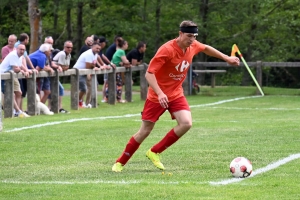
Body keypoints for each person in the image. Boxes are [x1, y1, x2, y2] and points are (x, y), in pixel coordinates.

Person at [111, 20, 240, 172]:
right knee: (145, 131)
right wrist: (159, 93)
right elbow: (149, 74)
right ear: (180, 34)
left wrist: (227, 58)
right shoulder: (167, 50)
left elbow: (206, 48)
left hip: (176, 94)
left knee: (186, 123)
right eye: (189, 35)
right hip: (157, 96)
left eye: (194, 36)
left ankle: (154, 152)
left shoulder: (193, 45)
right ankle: (120, 162)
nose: (192, 39)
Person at [0, 44, 30, 117]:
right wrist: (22, 71)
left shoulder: (21, 56)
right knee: (10, 94)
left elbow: (19, 66)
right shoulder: (13, 55)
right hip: (4, 75)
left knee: (19, 93)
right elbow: (15, 69)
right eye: (20, 49)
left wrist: (26, 70)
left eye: (23, 50)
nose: (22, 51)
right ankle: (17, 111)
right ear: (16, 49)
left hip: (11, 75)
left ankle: (16, 112)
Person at [73, 42, 101, 107]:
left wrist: (95, 67)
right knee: (83, 88)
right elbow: (88, 66)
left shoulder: (95, 54)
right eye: (97, 48)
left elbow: (93, 64)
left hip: (86, 71)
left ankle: (89, 102)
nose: (98, 50)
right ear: (92, 47)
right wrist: (94, 67)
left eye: (99, 49)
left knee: (94, 85)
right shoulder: (89, 54)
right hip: (79, 71)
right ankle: (78, 102)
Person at [50, 40, 73, 113]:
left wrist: (63, 67)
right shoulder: (62, 54)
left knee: (57, 89)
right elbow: (61, 66)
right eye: (68, 47)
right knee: (58, 89)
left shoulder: (69, 55)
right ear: (64, 47)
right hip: (52, 74)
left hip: (55, 74)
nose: (69, 49)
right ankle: (58, 108)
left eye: (71, 47)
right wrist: (63, 67)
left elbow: (67, 66)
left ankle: (54, 107)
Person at [109, 38, 131, 103]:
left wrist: (124, 63)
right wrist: (125, 63)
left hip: (115, 69)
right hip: (116, 70)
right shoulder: (121, 51)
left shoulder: (118, 51)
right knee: (119, 84)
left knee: (115, 84)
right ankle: (119, 99)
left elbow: (124, 62)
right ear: (123, 45)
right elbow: (126, 62)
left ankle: (114, 98)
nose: (127, 45)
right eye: (127, 44)